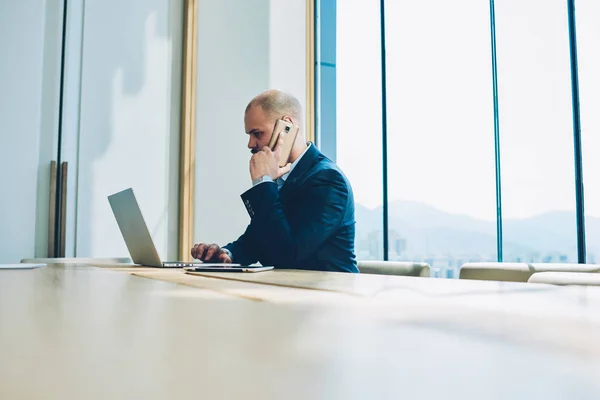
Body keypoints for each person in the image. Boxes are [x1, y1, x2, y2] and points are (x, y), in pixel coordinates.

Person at [191, 89, 358, 273]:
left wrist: (262, 182)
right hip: (290, 293)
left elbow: (287, 254)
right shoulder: (281, 178)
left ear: (286, 126)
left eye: (257, 134)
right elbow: (259, 239)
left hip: (329, 296)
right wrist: (226, 254)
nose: (250, 144)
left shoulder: (328, 180)